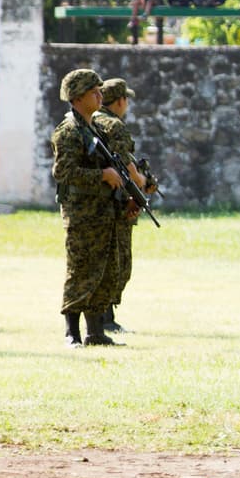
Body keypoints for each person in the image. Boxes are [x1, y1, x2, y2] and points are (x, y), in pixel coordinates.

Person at [50, 69, 125, 347]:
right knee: (81, 270)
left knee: (105, 270)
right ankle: (73, 332)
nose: (100, 95)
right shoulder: (69, 131)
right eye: (94, 91)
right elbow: (63, 172)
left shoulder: (96, 129)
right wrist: (102, 176)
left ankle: (95, 332)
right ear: (78, 97)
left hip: (103, 211)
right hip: (82, 213)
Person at [92, 78, 157, 334]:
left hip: (95, 200)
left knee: (104, 259)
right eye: (126, 99)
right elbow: (129, 169)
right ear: (120, 101)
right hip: (116, 201)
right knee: (119, 262)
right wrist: (144, 184)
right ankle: (105, 318)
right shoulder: (114, 126)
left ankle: (102, 318)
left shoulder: (91, 121)